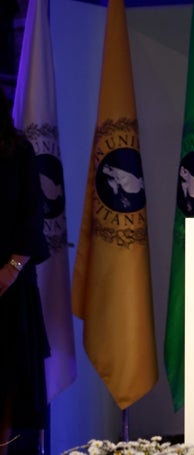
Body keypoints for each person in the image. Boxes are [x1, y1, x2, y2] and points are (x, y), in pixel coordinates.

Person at [0, 88, 50, 455]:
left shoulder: (18, 152)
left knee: (7, 384)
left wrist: (10, 269)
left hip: (8, 287)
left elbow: (33, 218)